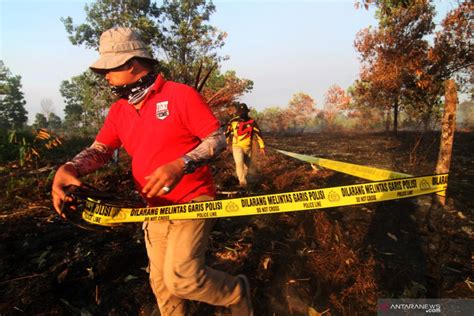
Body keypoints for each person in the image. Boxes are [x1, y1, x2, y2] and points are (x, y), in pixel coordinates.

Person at [51, 27, 253, 316]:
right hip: (153, 208)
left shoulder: (180, 96)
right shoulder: (120, 110)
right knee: (163, 287)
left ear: (131, 63)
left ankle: (235, 292)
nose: (105, 76)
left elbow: (216, 138)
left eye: (109, 68)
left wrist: (180, 165)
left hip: (192, 201)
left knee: (182, 278)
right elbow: (101, 150)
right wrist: (70, 168)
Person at [225, 102, 265, 188]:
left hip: (248, 147)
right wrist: (226, 144)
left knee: (246, 166)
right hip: (237, 146)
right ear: (238, 113)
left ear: (247, 112)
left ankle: (241, 178)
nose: (243, 114)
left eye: (244, 112)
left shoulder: (252, 122)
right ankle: (242, 181)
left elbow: (258, 134)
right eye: (241, 112)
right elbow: (227, 133)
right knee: (239, 163)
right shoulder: (233, 121)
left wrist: (262, 147)